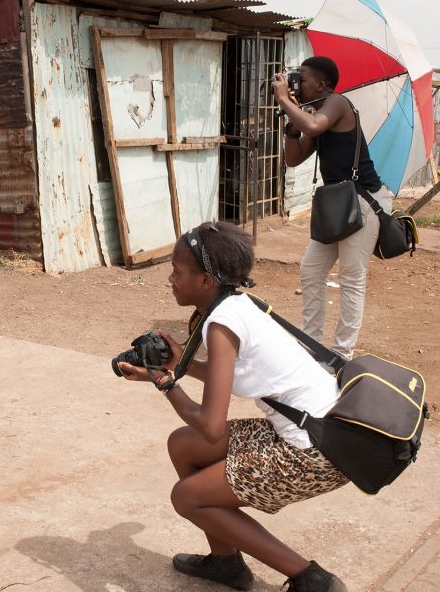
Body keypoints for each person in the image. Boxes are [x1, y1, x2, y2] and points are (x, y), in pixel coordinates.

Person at [118, 221, 350, 592]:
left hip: (315, 453)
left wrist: (165, 383)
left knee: (187, 498)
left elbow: (211, 425)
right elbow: (224, 379)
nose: (171, 279)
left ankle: (312, 580)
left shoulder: (222, 323)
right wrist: (181, 365)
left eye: (178, 272)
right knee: (183, 444)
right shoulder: (238, 305)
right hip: (324, 432)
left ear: (206, 281)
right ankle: (226, 562)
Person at [271, 56, 394, 360]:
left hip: (364, 203)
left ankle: (341, 356)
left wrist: (284, 100)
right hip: (339, 205)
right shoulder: (317, 114)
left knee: (351, 278)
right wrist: (290, 127)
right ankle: (312, 344)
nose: (297, 82)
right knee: (311, 270)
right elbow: (295, 157)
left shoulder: (338, 103)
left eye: (302, 78)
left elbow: (312, 124)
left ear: (322, 85)